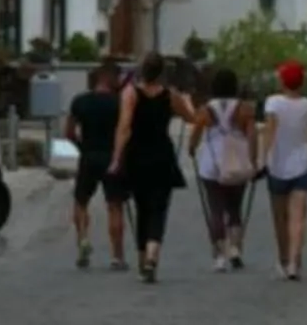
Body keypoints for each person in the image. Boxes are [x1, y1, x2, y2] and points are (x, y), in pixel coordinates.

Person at [107, 51, 196, 284]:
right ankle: (153, 254)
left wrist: (117, 158)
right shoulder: (171, 95)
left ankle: (142, 259)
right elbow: (191, 118)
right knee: (159, 208)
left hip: (137, 156)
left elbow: (124, 127)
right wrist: (187, 101)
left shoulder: (130, 94)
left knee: (142, 208)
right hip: (162, 155)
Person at [256, 58, 307, 282]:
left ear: (283, 81)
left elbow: (269, 131)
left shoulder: (273, 103)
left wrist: (261, 160)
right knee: (298, 217)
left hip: (277, 165)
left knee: (280, 217)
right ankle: (295, 262)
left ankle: (284, 257)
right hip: (302, 164)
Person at [188, 64, 256, 273]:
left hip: (212, 164)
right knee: (235, 207)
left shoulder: (206, 110)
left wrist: (191, 149)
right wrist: (254, 161)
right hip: (238, 161)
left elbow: (196, 136)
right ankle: (235, 248)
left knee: (216, 208)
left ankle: (219, 255)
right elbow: (252, 136)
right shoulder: (245, 109)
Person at [66, 61, 127, 270]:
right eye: (118, 78)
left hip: (89, 156)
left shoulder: (80, 102)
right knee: (115, 205)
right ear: (108, 78)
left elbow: (69, 132)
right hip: (112, 157)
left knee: (81, 201)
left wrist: (81, 146)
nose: (120, 82)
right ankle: (117, 256)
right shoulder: (119, 103)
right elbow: (126, 131)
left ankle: (83, 239)